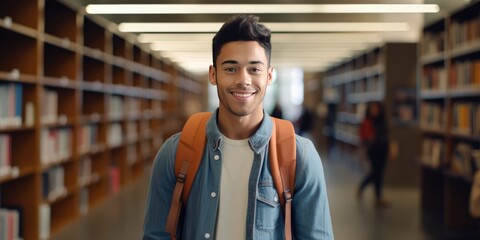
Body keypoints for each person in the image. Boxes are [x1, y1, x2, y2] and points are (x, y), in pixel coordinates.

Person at [143, 15, 333, 239]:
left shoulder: (299, 156)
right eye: (231, 69)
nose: (244, 80)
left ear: (269, 75)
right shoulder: (175, 152)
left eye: (254, 69)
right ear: (213, 74)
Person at [357, 101, 390, 208]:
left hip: (383, 150)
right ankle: (375, 195)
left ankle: (376, 196)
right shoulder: (367, 122)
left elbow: (386, 135)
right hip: (373, 150)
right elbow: (364, 137)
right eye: (372, 108)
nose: (374, 110)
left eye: (376, 108)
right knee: (376, 173)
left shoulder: (382, 121)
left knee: (379, 173)